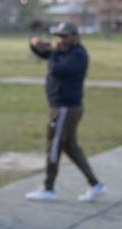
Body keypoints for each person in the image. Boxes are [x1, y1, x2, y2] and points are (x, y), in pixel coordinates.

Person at [25, 22, 106, 202]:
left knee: (53, 147)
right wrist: (34, 42)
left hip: (65, 108)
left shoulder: (78, 54)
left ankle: (48, 188)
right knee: (71, 147)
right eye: (59, 36)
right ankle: (95, 184)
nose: (60, 39)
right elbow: (42, 53)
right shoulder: (64, 52)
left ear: (74, 36)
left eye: (64, 36)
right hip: (63, 107)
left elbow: (57, 69)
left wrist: (54, 52)